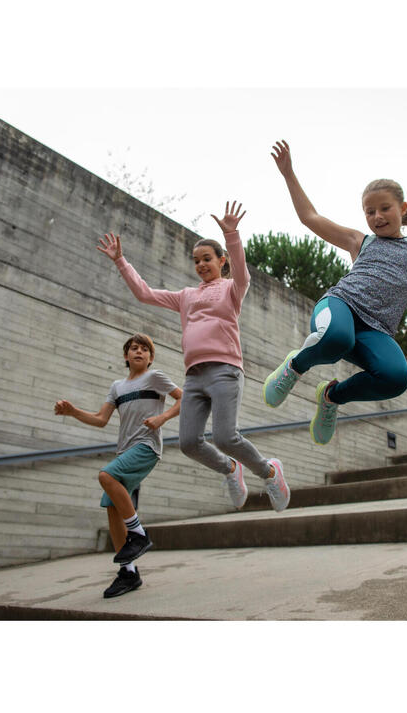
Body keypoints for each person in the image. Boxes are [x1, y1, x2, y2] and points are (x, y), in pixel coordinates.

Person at [264, 140, 407, 444]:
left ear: (401, 208)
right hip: (340, 307)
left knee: (395, 378)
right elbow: (311, 217)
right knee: (336, 338)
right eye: (369, 211)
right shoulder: (360, 241)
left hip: (377, 330)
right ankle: (294, 366)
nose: (377, 216)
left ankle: (331, 397)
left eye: (384, 209)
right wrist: (288, 174)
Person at [97, 200, 290, 514]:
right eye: (196, 260)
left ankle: (269, 473)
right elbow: (144, 293)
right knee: (188, 442)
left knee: (226, 436)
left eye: (207, 259)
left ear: (221, 261)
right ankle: (230, 469)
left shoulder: (230, 288)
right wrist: (121, 261)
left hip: (226, 371)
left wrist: (232, 235)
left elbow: (244, 275)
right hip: (194, 375)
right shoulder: (186, 296)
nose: (201, 265)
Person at [54, 332, 182, 599]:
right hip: (125, 450)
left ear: (150, 357)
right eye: (134, 348)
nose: (139, 352)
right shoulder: (117, 387)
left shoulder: (155, 377)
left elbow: (185, 398)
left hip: (146, 447)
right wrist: (73, 411)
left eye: (144, 349)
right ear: (126, 356)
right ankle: (129, 572)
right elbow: (101, 419)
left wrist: (162, 418)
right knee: (112, 508)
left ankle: (138, 533)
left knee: (106, 474)